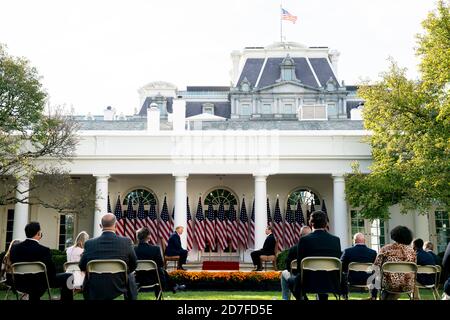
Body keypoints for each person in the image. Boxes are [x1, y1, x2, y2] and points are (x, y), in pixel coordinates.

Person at [79, 213, 138, 300]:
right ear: (116, 225)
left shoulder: (89, 243)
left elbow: (82, 266)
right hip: (119, 285)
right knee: (130, 275)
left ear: (100, 226)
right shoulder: (126, 242)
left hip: (95, 286)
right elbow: (133, 265)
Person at [9, 222, 73, 301]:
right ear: (38, 233)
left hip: (19, 283)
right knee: (69, 276)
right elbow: (51, 272)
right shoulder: (44, 250)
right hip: (40, 284)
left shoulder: (14, 248)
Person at [293, 211, 341, 300]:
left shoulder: (304, 240)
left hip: (309, 281)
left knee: (291, 280)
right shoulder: (336, 240)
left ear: (310, 223)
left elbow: (300, 266)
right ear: (326, 223)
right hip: (332, 281)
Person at [134, 227, 184, 298]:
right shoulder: (155, 249)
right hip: (154, 279)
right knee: (160, 270)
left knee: (160, 270)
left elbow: (131, 264)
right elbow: (161, 264)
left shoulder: (133, 249)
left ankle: (174, 286)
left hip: (137, 279)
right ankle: (173, 287)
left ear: (137, 237)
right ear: (148, 236)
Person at [374, 225, 416, 300]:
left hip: (390, 284)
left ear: (394, 235)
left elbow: (376, 266)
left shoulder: (385, 249)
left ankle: (374, 296)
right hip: (408, 284)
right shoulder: (412, 252)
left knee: (376, 276)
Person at [340, 233, 377, 300]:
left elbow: (341, 266)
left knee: (342, 274)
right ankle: (373, 296)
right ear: (364, 241)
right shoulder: (373, 253)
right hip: (368, 280)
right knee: (375, 273)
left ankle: (345, 296)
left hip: (351, 279)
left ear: (354, 241)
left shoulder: (347, 251)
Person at [280, 226, 311, 300]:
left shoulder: (294, 249)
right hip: (318, 279)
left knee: (284, 273)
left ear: (300, 235)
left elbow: (288, 267)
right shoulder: (316, 249)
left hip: (299, 280)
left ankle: (286, 299)